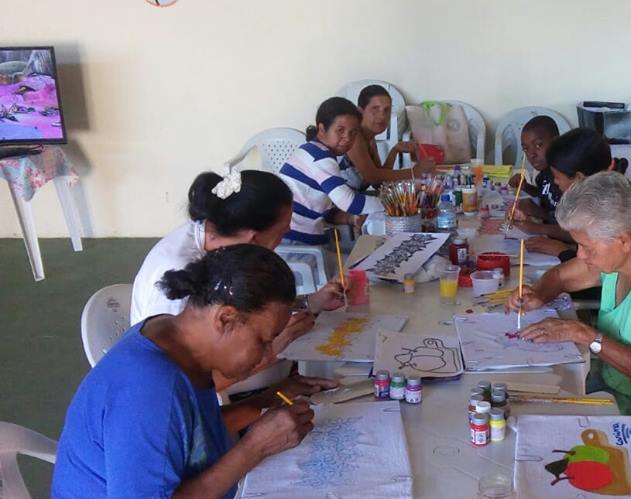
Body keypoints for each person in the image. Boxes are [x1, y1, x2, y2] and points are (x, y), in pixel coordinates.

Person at [54, 245, 336, 498]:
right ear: (225, 318)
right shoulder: (149, 388)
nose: (266, 354)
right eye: (263, 340)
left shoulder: (171, 334)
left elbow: (188, 433)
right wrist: (254, 448)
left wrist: (268, 398)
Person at [506, 172, 631, 445]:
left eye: (586, 246)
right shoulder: (621, 255)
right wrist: (537, 294)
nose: (580, 254)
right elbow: (561, 277)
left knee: (543, 428)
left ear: (623, 241)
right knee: (525, 396)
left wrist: (583, 333)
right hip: (616, 382)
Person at [131, 170, 345, 391]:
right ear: (254, 239)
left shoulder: (216, 237)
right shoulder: (178, 274)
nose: (283, 239)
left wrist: (309, 302)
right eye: (282, 232)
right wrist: (273, 349)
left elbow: (245, 305)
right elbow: (186, 387)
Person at [516, 127, 631, 259]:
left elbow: (601, 266)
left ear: (579, 178)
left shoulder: (609, 206)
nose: (555, 182)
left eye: (557, 177)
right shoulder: (600, 190)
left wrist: (563, 251)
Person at [280, 96, 384, 246]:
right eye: (340, 130)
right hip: (296, 243)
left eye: (353, 132)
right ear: (322, 129)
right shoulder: (320, 158)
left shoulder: (312, 150)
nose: (347, 138)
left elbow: (324, 210)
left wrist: (350, 218)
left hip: (294, 238)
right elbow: (350, 202)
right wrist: (390, 204)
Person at [343, 84, 436, 186]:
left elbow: (379, 182)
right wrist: (414, 172)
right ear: (360, 111)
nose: (382, 115)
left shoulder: (370, 138)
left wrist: (394, 150)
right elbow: (373, 178)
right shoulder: (354, 137)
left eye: (387, 110)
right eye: (375, 109)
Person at [507, 115, 562, 223]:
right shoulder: (546, 172)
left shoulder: (566, 176)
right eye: (526, 149)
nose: (531, 154)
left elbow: (569, 225)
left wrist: (539, 214)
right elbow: (546, 194)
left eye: (538, 145)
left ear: (556, 142)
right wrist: (525, 187)